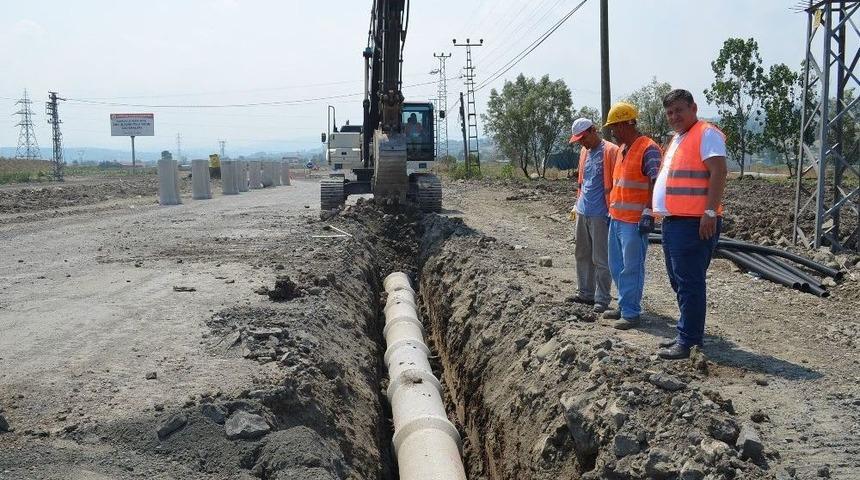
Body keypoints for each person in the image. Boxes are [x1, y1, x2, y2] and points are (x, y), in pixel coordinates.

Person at [653, 89, 728, 360]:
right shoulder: (678, 138)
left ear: (693, 108)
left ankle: (689, 341)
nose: (674, 116)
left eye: (679, 111)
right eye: (670, 112)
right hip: (674, 221)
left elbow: (719, 170)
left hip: (694, 222)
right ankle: (686, 333)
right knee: (678, 280)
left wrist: (709, 211)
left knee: (689, 283)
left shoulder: (706, 133)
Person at [602, 102, 662, 330]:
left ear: (627, 124)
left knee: (632, 268)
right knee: (616, 265)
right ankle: (624, 304)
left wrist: (649, 211)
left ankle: (631, 312)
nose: (613, 132)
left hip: (634, 221)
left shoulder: (648, 149)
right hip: (617, 218)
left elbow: (656, 182)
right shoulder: (622, 150)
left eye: (615, 127)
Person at [568, 118, 619, 313]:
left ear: (593, 130)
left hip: (601, 213)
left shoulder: (611, 151)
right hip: (583, 210)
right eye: (579, 140)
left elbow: (617, 182)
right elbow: (583, 181)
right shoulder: (584, 152)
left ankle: (602, 298)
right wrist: (577, 203)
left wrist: (612, 210)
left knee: (601, 258)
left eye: (584, 138)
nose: (582, 142)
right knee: (582, 254)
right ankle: (585, 293)